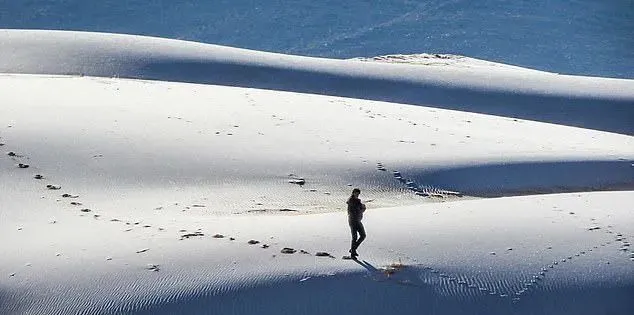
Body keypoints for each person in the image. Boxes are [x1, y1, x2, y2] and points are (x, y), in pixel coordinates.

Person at [347, 188, 366, 258]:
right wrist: (362, 208)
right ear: (353, 193)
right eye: (356, 193)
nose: (357, 194)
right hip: (353, 221)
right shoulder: (352, 201)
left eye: (358, 193)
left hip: (357, 220)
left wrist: (362, 208)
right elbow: (355, 211)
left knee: (363, 235)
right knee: (355, 237)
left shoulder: (357, 201)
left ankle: (353, 249)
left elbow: (360, 210)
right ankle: (352, 253)